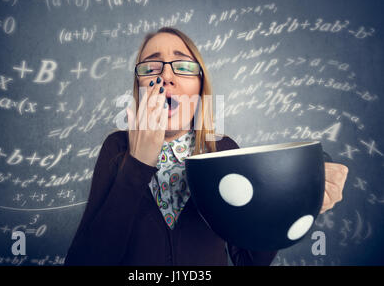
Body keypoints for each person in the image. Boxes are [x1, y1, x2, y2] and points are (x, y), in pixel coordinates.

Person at [64, 27, 348, 266]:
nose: (166, 76)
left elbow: (249, 261)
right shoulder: (116, 148)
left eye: (183, 65)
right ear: (139, 87)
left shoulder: (222, 149)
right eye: (151, 66)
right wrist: (138, 164)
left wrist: (291, 206)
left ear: (200, 87)